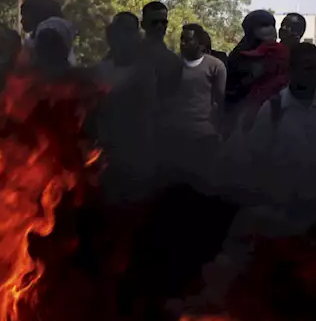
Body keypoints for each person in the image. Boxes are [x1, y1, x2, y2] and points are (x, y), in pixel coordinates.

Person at [228, 43, 316, 231]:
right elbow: (254, 159)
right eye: (308, 69)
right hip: (281, 212)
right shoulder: (273, 110)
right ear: (291, 70)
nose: (315, 75)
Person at [94, 12, 158, 203]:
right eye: (118, 33)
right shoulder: (102, 68)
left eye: (127, 33)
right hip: (104, 148)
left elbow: (147, 113)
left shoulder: (144, 71)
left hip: (133, 150)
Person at [162, 23, 227, 188]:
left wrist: (220, 132)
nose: (183, 44)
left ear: (201, 44)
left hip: (204, 137)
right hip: (176, 136)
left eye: (188, 40)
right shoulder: (171, 65)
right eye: (182, 40)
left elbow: (221, 101)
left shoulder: (215, 66)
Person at [225, 10, 289, 118]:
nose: (269, 30)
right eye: (264, 25)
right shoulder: (239, 54)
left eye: (270, 25)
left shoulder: (279, 51)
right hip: (242, 113)